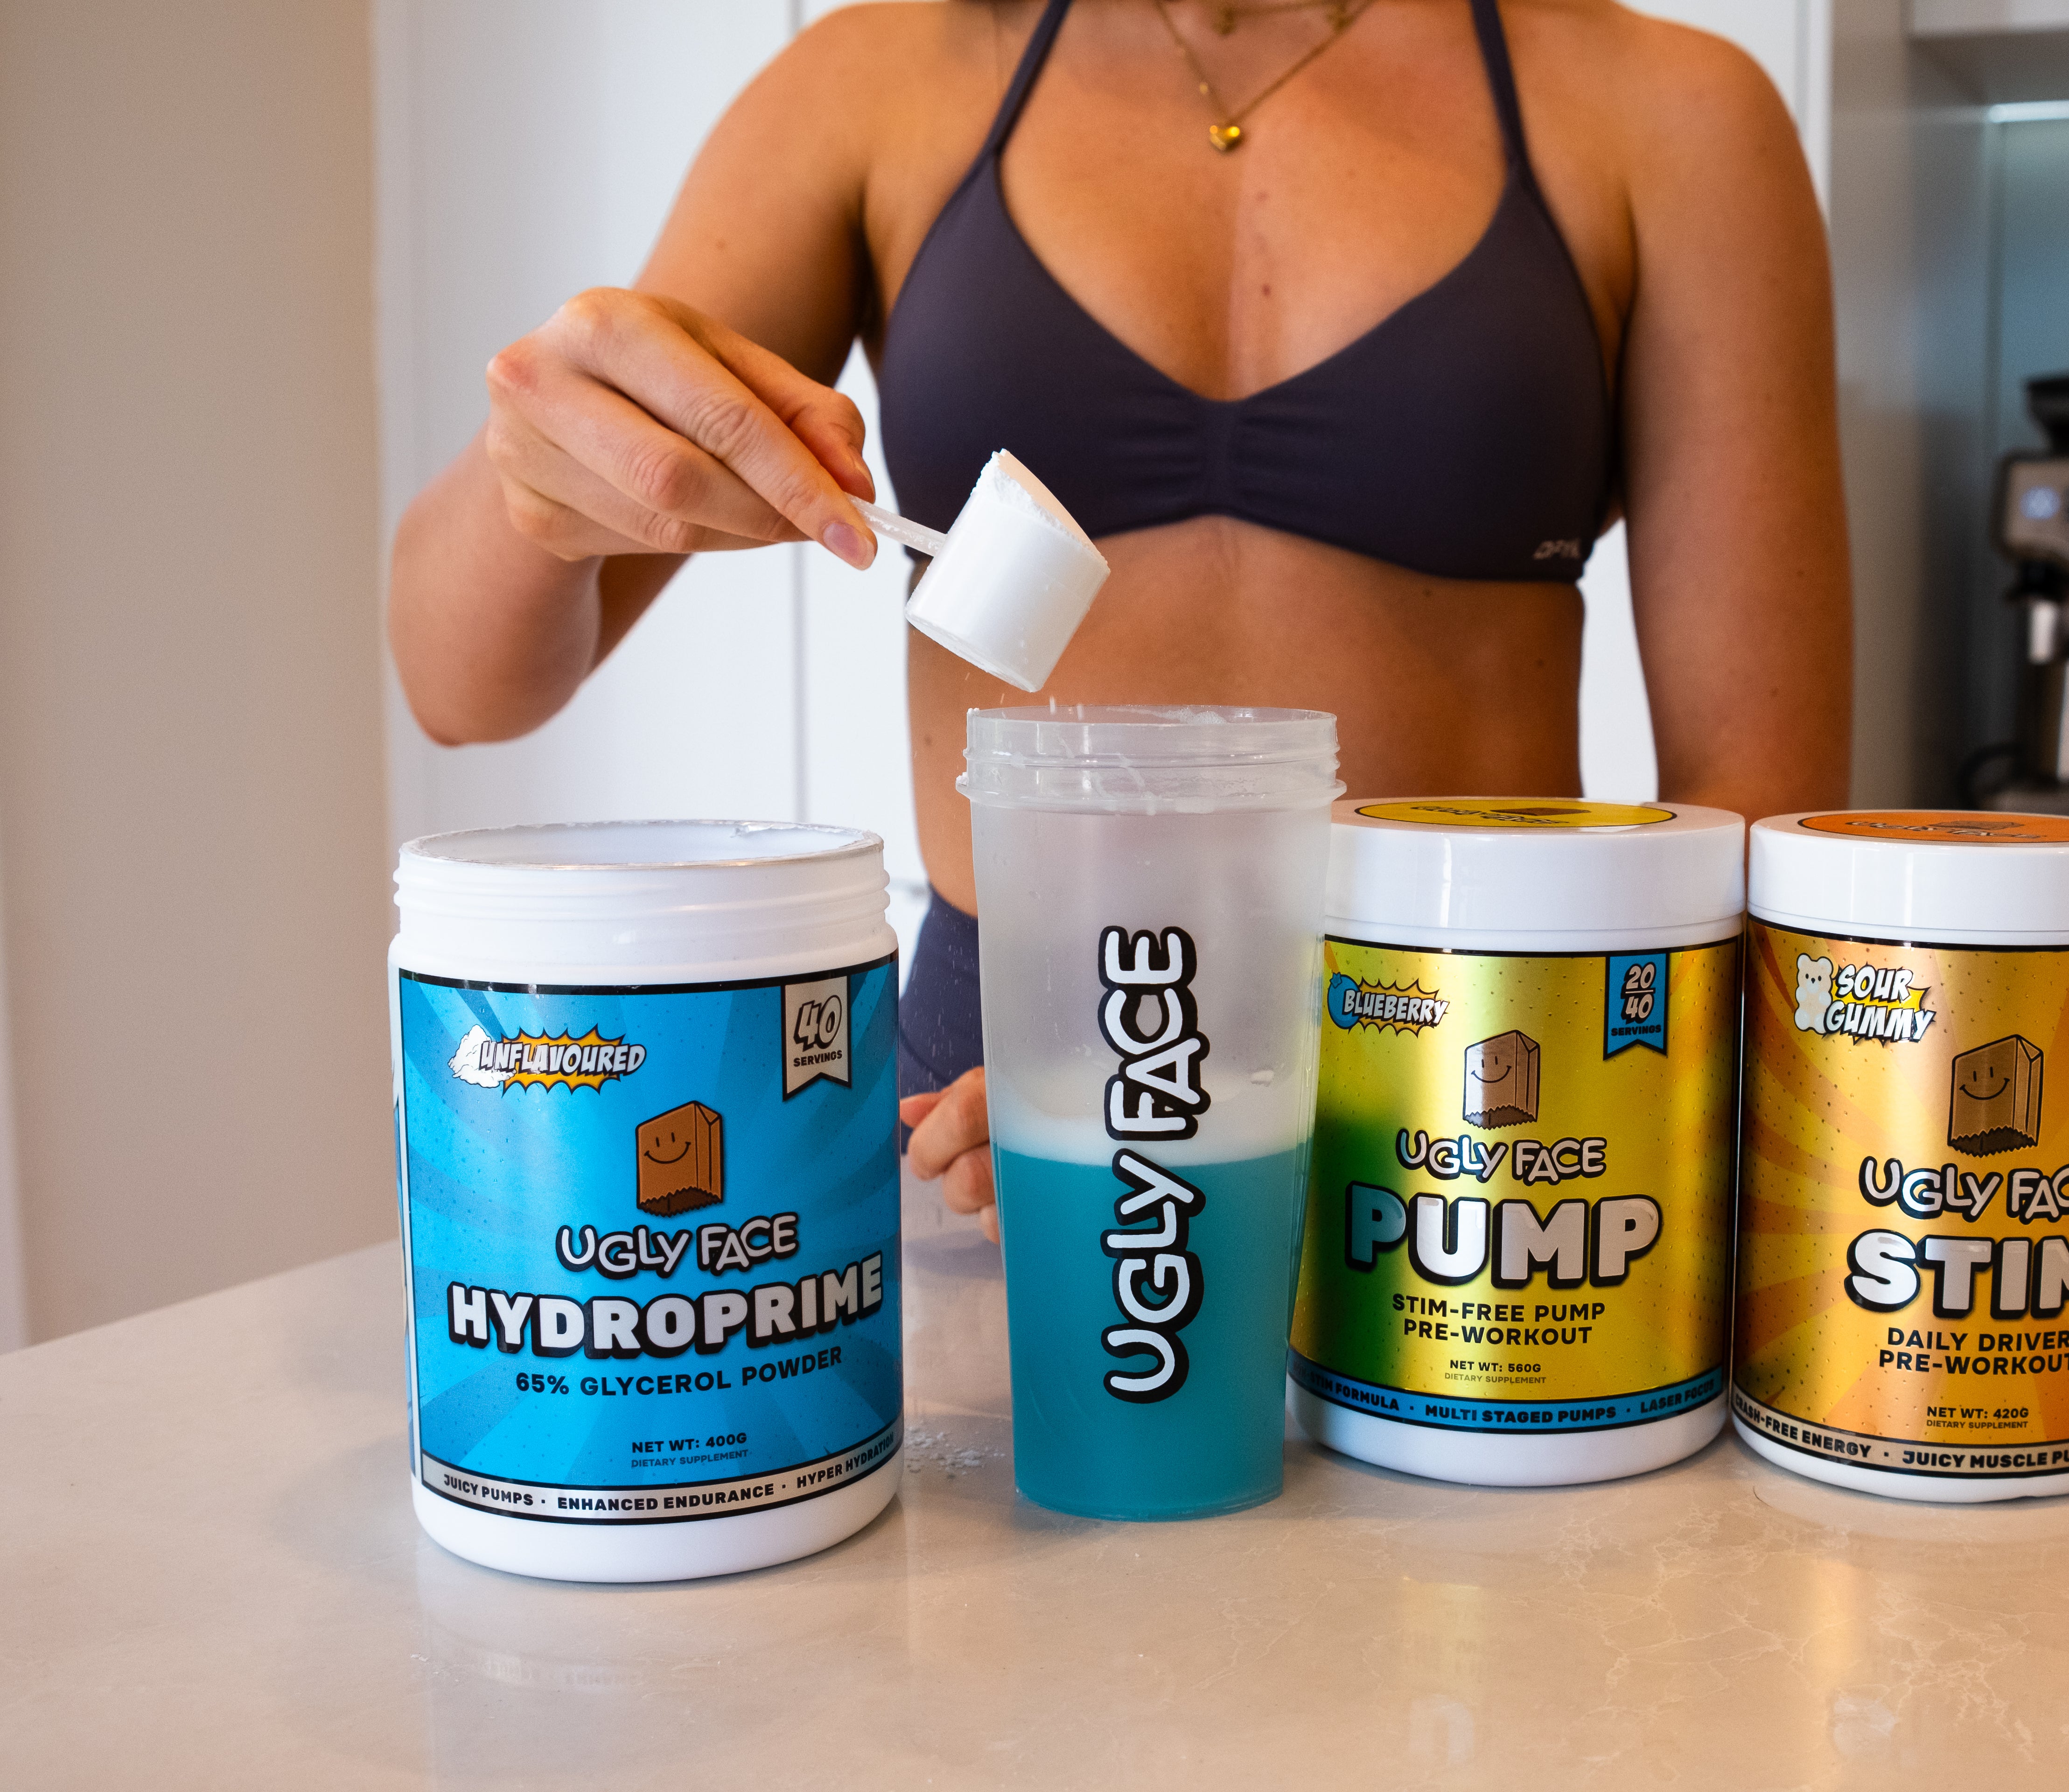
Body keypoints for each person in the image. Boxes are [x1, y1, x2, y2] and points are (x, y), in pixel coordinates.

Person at [389, 0, 1852, 1244]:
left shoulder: (1666, 109)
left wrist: (1345, 1076)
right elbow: (460, 681)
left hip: (1468, 1114)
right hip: (992, 1094)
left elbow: (1762, 818)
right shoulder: (884, 81)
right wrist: (538, 480)